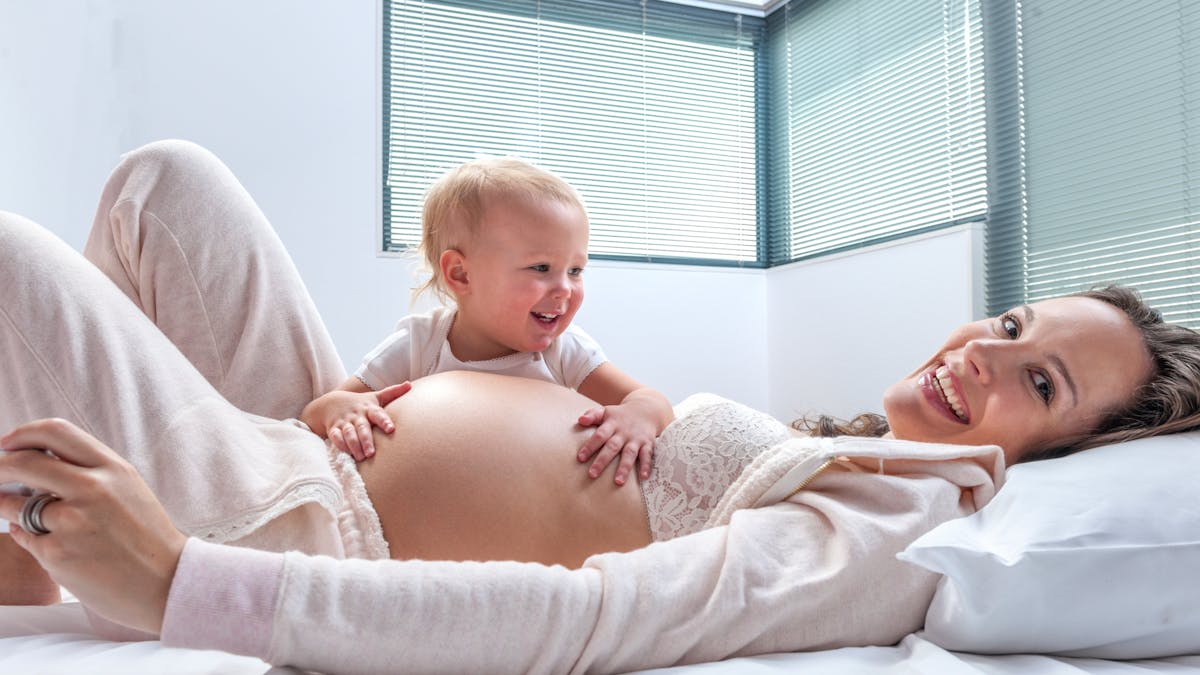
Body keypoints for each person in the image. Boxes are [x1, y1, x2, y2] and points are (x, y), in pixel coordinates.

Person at [1, 140, 1199, 674]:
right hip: (321, 433)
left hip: (305, 519)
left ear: (1074, 450)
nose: (984, 358)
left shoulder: (908, 531)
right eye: (1009, 326)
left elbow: (589, 624)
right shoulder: (845, 453)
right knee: (166, 183)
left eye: (1040, 383)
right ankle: (46, 512)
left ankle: (61, 528)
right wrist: (338, 404)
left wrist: (180, 583)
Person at [299, 157, 672, 486]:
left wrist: (638, 416)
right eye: (541, 267)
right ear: (461, 274)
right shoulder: (420, 344)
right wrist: (341, 410)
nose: (564, 289)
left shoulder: (565, 351)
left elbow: (651, 401)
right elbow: (323, 408)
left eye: (575, 270)